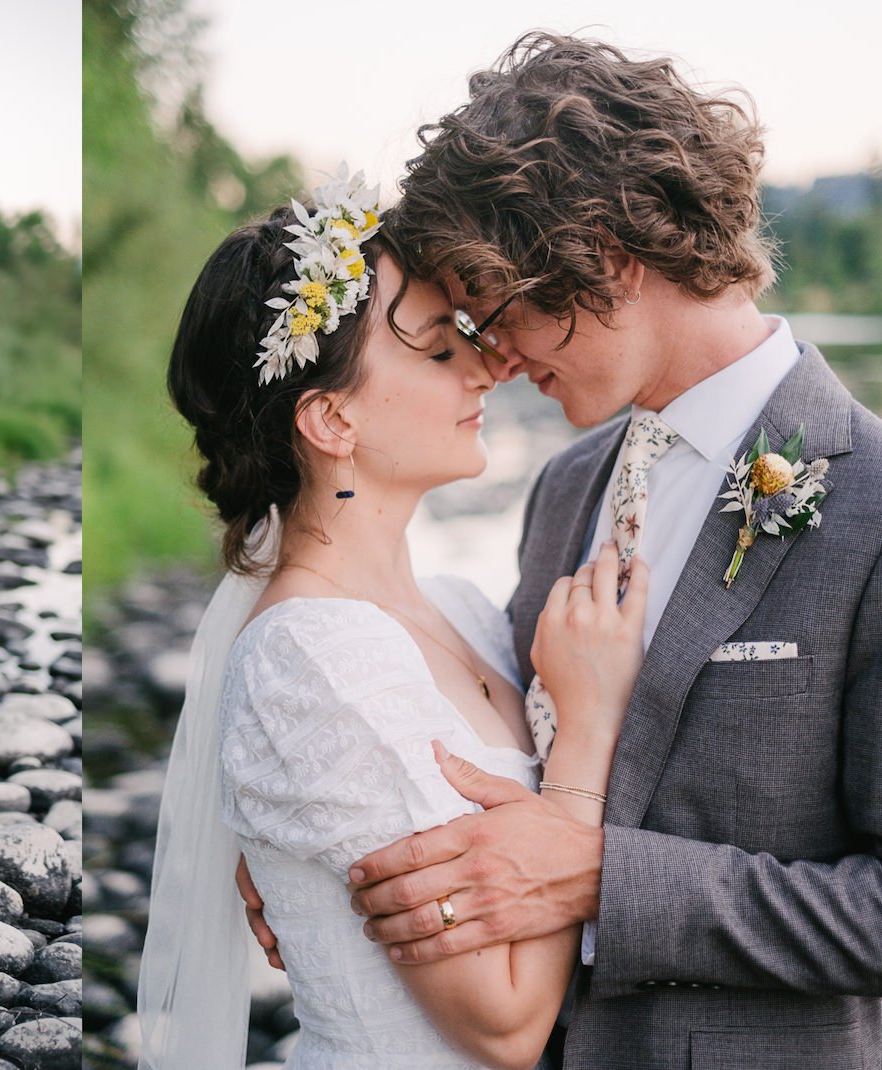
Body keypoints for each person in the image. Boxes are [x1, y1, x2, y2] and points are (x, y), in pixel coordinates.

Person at [244, 33, 882, 1068]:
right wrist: (319, 835)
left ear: (605, 256)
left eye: (495, 312)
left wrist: (604, 877)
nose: (492, 356)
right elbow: (489, 751)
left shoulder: (872, 504)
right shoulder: (567, 484)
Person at [138, 166, 649, 1069]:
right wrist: (587, 731)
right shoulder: (312, 656)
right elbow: (505, 1024)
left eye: (468, 336)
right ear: (330, 418)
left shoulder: (459, 610)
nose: (489, 364)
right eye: (436, 350)